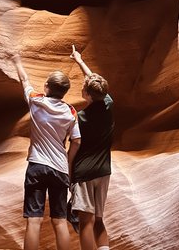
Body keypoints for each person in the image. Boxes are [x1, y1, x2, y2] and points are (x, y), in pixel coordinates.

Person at [11, 54, 81, 250]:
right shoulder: (71, 111)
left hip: (37, 165)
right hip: (59, 168)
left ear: (47, 87)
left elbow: (25, 80)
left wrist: (17, 61)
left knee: (34, 221)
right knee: (59, 221)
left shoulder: (36, 102)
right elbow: (76, 140)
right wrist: (67, 161)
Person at [69, 45, 115, 250]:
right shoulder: (108, 104)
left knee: (85, 222)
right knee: (98, 220)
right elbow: (98, 85)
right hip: (104, 172)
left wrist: (69, 175)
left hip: (84, 173)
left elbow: (75, 147)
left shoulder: (80, 118)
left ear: (86, 94)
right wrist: (80, 61)